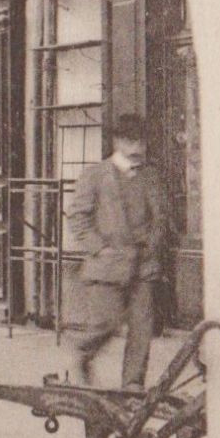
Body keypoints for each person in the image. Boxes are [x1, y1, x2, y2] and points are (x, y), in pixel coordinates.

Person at [67, 113, 171, 390]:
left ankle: (132, 387)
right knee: (105, 325)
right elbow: (77, 218)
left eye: (141, 142)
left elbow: (161, 218)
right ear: (117, 141)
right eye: (130, 141)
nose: (137, 148)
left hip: (144, 267)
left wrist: (152, 244)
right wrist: (99, 249)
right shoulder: (95, 175)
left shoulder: (152, 176)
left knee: (142, 331)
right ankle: (83, 356)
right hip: (107, 267)